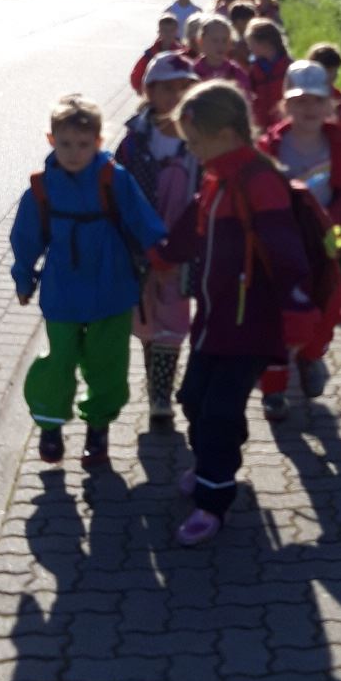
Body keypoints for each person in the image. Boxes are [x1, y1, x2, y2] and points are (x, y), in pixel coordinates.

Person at [155, 79, 315, 545]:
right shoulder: (217, 178)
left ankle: (214, 497)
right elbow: (191, 226)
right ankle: (212, 463)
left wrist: (297, 316)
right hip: (214, 320)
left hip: (251, 325)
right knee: (193, 399)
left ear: (225, 134)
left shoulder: (260, 182)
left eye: (196, 141)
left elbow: (286, 252)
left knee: (220, 411)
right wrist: (163, 257)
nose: (192, 151)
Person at [10, 95, 167, 470]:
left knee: (107, 363)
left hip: (111, 289)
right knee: (58, 361)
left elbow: (143, 221)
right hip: (62, 292)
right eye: (65, 143)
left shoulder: (114, 179)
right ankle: (50, 424)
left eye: (83, 144)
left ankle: (98, 428)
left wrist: (162, 258)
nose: (73, 152)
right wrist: (23, 277)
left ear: (98, 141)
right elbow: (26, 238)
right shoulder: (42, 187)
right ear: (51, 140)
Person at [256, 59, 341, 420]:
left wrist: (331, 220)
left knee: (328, 304)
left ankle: (311, 355)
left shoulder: (337, 145)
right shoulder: (271, 146)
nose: (309, 108)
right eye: (300, 101)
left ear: (330, 104)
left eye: (317, 100)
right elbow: (257, 191)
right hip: (280, 246)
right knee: (276, 315)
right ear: (286, 103)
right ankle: (273, 388)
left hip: (321, 244)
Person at [117, 52, 199, 429]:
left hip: (182, 246)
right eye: (167, 89)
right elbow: (118, 192)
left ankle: (161, 398)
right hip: (139, 247)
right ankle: (156, 377)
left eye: (184, 89)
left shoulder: (198, 140)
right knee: (146, 318)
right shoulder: (135, 141)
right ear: (149, 91)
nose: (175, 96)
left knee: (174, 318)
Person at [245, 18, 291, 130]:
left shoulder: (288, 67)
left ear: (264, 43)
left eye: (251, 44)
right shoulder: (254, 69)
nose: (249, 48)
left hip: (286, 123)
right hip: (263, 124)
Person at [187, 14, 251, 92]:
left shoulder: (235, 72)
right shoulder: (192, 72)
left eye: (224, 40)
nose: (220, 45)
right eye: (215, 40)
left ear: (230, 43)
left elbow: (246, 95)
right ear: (201, 42)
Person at [128, 12, 184, 94]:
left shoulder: (182, 54)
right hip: (154, 96)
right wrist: (142, 90)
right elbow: (136, 75)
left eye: (171, 30)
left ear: (176, 32)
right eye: (164, 30)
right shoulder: (150, 54)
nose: (168, 34)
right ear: (159, 32)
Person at [306, 41, 341, 125]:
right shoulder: (303, 95)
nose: (334, 75)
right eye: (328, 71)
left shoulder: (337, 95)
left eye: (336, 70)